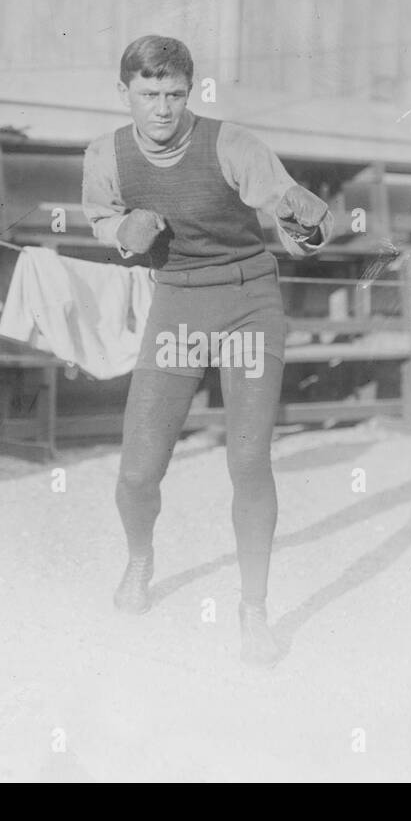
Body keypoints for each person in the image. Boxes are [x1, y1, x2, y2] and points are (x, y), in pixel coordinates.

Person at [83, 35, 333, 666]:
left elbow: (298, 222)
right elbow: (99, 218)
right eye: (148, 95)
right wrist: (123, 233)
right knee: (138, 469)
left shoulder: (232, 144)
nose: (162, 109)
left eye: (174, 94)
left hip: (249, 300)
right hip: (179, 304)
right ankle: (140, 557)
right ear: (125, 93)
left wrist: (307, 222)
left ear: (189, 93)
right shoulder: (105, 155)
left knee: (248, 462)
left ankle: (254, 609)